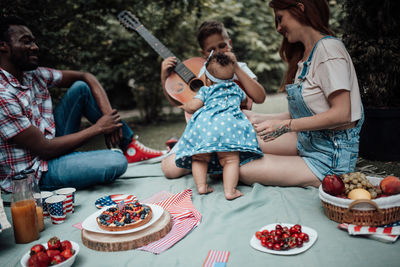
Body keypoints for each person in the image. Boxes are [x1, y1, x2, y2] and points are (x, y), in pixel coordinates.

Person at [0, 16, 164, 192]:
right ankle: (80, 161)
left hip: (53, 143)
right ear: (3, 46)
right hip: (36, 173)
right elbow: (44, 149)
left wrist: (110, 120)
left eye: (34, 41)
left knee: (81, 88)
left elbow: (86, 77)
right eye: (26, 42)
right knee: (115, 161)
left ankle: (130, 147)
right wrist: (100, 128)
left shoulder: (33, 75)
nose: (35, 47)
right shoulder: (3, 95)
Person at [239, 0, 364, 188]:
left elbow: (342, 114)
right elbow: (310, 112)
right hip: (307, 140)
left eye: (280, 19)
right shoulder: (306, 55)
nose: (279, 28)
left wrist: (284, 126)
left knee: (242, 169)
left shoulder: (328, 50)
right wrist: (258, 117)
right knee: (238, 144)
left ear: (300, 8)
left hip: (329, 159)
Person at [161, 20, 266, 179]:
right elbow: (177, 101)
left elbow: (260, 97)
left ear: (229, 44)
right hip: (203, 133)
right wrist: (164, 77)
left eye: (222, 46)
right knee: (170, 170)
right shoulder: (200, 72)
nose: (218, 52)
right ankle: (180, 147)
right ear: (204, 53)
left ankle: (209, 161)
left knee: (228, 166)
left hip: (233, 130)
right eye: (211, 49)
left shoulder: (240, 67)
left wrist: (235, 66)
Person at [175, 52, 263, 200]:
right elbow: (246, 102)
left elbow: (193, 106)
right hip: (229, 128)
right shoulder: (236, 89)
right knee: (230, 160)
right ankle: (230, 191)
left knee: (199, 158)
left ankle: (202, 187)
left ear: (208, 80)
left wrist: (184, 106)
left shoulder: (206, 90)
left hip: (206, 127)